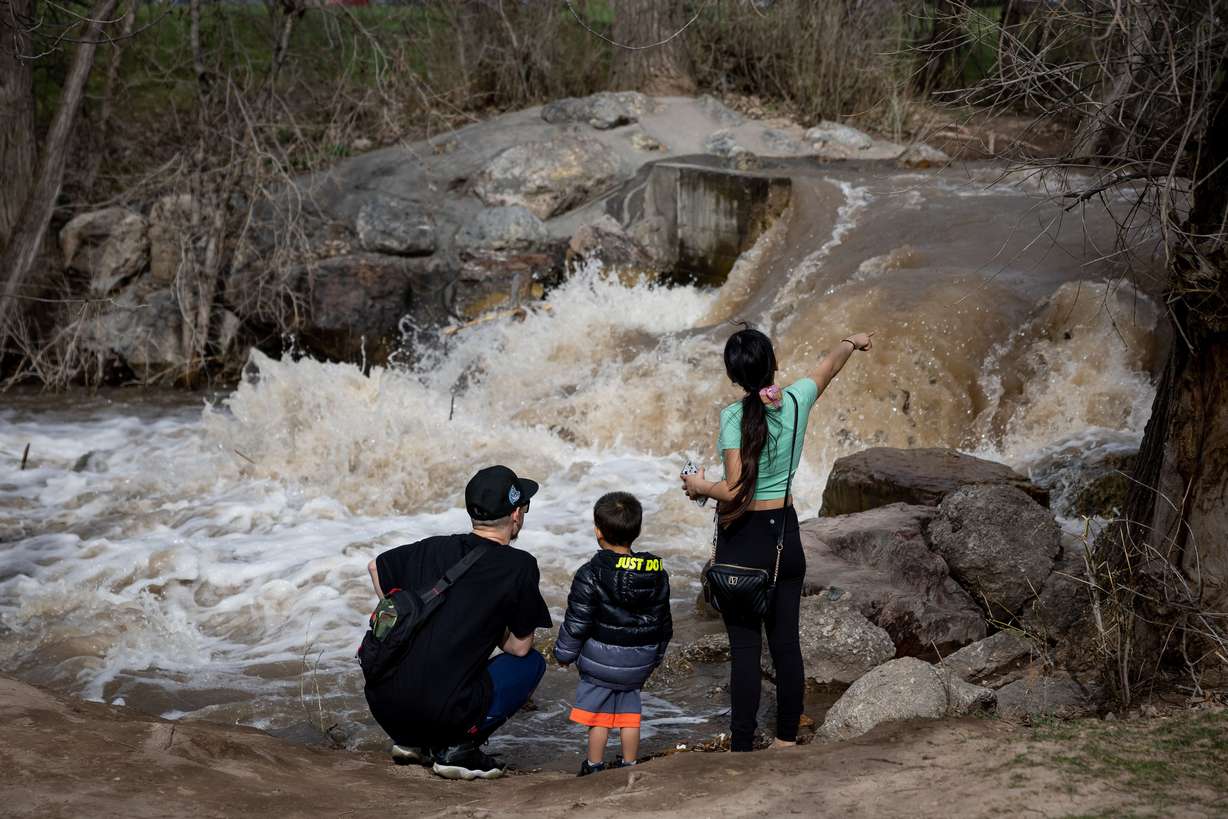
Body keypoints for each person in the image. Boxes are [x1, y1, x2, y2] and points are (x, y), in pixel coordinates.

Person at [681, 326, 873, 752]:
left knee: (746, 650)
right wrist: (851, 342)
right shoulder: (797, 400)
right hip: (785, 535)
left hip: (744, 539)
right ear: (773, 363)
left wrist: (699, 485)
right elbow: (828, 368)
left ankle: (743, 744)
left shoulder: (734, 417)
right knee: (786, 644)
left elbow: (733, 491)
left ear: (735, 376)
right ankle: (787, 738)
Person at [364, 465, 553, 780]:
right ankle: (458, 747)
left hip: (386, 706)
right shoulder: (519, 566)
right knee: (531, 664)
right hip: (442, 711)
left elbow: (375, 567)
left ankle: (412, 743)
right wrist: (486, 627)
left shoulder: (431, 547)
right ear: (517, 515)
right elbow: (520, 648)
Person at [554, 491, 672, 776]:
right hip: (638, 663)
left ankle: (594, 765)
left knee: (599, 718)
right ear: (637, 530)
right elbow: (662, 623)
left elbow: (578, 621)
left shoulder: (591, 572)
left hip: (600, 663)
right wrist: (654, 657)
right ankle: (629, 763)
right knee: (630, 716)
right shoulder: (655, 573)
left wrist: (564, 654)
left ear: (598, 531)